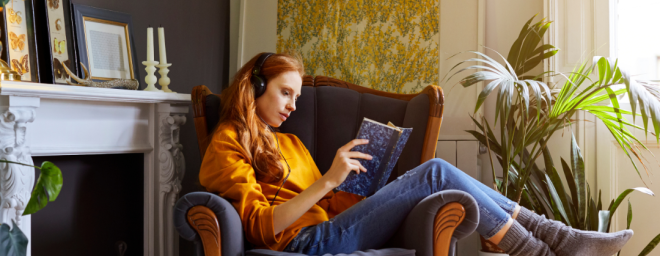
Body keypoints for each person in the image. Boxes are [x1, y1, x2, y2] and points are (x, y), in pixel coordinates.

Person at [199, 52, 634, 256]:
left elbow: (331, 202)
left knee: (425, 176)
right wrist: (329, 179)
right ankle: (549, 244)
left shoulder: (288, 141)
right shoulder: (227, 144)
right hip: (307, 245)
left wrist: (362, 185)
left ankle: (552, 241)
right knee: (434, 172)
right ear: (255, 87)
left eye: (295, 94)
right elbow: (258, 227)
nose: (294, 105)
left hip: (332, 227)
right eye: (284, 93)